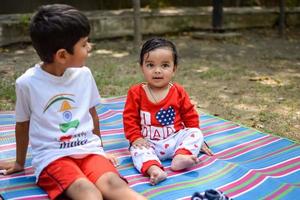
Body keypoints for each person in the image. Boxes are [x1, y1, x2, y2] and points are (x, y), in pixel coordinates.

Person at [0, 4, 146, 200]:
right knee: (88, 193)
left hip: (89, 150)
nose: (89, 47)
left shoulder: (84, 75)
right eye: (84, 44)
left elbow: (92, 114)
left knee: (114, 184)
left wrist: (99, 150)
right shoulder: (27, 84)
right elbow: (22, 124)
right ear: (62, 55)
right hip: (53, 158)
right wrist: (19, 162)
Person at [123, 38, 213, 186]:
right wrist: (135, 138)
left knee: (196, 133)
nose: (157, 70)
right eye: (150, 65)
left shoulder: (178, 91)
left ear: (174, 69)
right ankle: (154, 169)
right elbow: (129, 118)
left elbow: (190, 116)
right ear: (142, 67)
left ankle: (181, 157)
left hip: (175, 139)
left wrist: (199, 141)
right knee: (136, 150)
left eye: (165, 65)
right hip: (149, 142)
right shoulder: (136, 92)